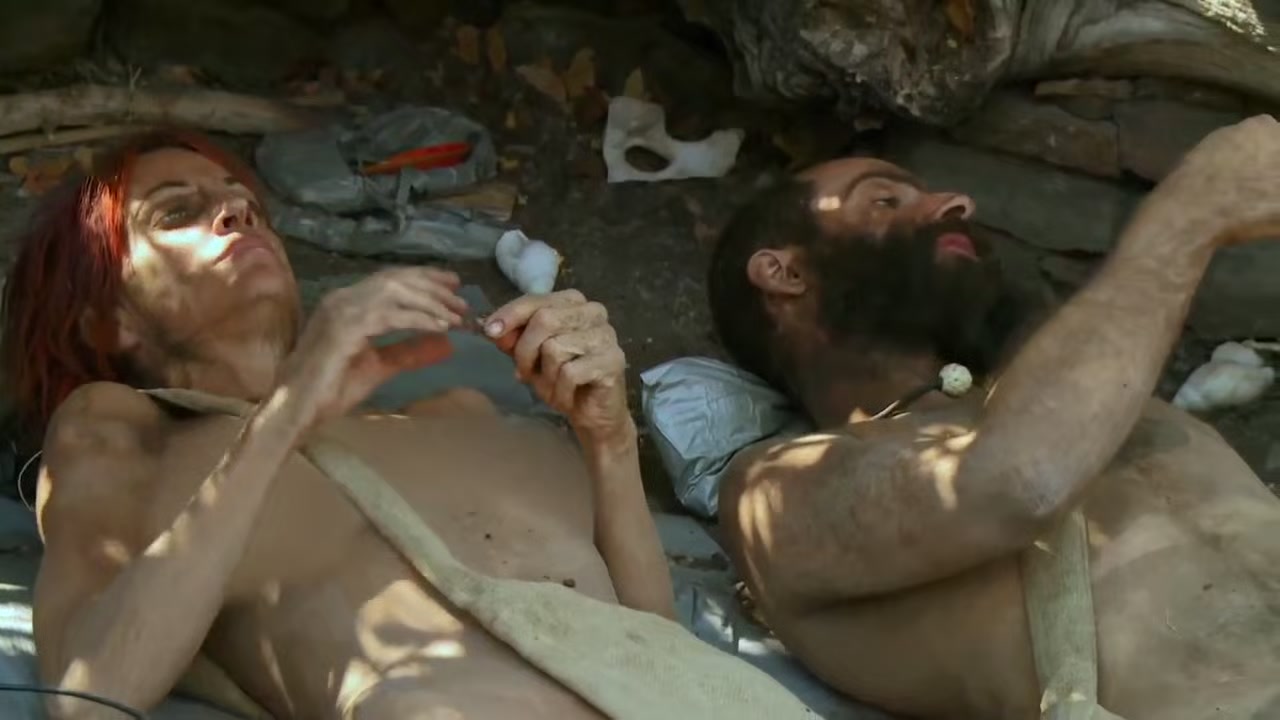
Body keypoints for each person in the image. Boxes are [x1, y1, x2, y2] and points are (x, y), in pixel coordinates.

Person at [1, 129, 676, 719]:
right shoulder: (133, 432)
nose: (236, 211)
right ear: (107, 321)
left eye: (247, 204)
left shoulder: (467, 418)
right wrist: (286, 412)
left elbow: (663, 649)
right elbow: (91, 693)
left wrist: (610, 440)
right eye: (177, 212)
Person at [704, 115, 1280, 720]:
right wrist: (1188, 216)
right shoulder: (776, 490)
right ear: (786, 273)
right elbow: (1018, 482)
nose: (957, 203)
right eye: (883, 200)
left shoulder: (1106, 401)